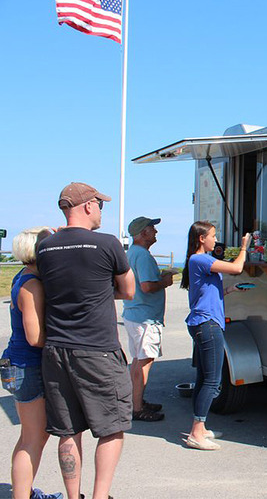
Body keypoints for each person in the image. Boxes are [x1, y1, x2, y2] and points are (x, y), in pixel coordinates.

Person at [36, 182, 135, 499]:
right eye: (100, 205)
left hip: (56, 349)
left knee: (67, 430)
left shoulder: (45, 248)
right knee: (112, 427)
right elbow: (129, 290)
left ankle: (72, 496)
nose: (102, 211)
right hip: (97, 349)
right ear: (89, 206)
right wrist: (103, 290)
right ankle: (99, 496)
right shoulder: (107, 244)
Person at [1, 227, 63, 499]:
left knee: (31, 436)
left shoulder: (24, 276)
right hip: (27, 366)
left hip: (19, 363)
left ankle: (23, 491)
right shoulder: (32, 285)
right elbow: (35, 337)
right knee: (33, 439)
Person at [180, 221, 250, 450]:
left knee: (203, 378)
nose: (216, 239)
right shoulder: (200, 259)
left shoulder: (199, 261)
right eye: (213, 235)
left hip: (203, 323)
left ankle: (200, 428)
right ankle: (196, 433)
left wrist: (230, 290)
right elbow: (237, 268)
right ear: (201, 239)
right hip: (207, 325)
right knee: (212, 380)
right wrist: (244, 247)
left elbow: (208, 293)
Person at [121, 216, 174, 423]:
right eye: (152, 229)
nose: (156, 232)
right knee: (144, 362)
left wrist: (159, 278)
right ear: (143, 233)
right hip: (145, 317)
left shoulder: (133, 253)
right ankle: (137, 408)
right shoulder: (142, 255)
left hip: (135, 314)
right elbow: (147, 286)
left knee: (137, 360)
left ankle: (136, 401)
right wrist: (165, 281)